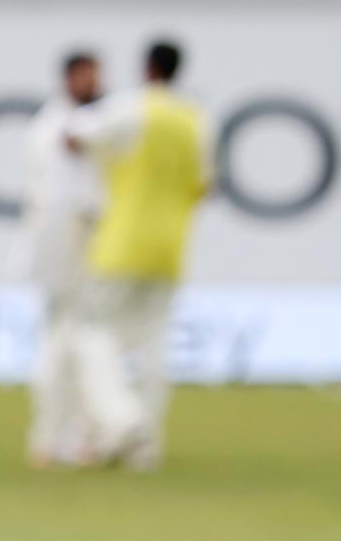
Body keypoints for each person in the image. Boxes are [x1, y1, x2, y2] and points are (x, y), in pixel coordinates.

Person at [70, 39, 208, 471]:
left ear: (147, 68)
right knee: (153, 347)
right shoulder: (194, 119)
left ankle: (121, 419)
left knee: (90, 334)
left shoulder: (131, 108)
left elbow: (76, 137)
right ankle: (145, 447)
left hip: (121, 244)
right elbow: (205, 184)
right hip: (171, 247)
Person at [18, 50, 103, 468]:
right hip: (69, 249)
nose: (94, 83)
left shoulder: (52, 124)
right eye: (88, 76)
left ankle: (60, 438)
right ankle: (60, 438)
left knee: (67, 344)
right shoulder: (61, 126)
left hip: (65, 247)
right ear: (70, 78)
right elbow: (69, 200)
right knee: (69, 344)